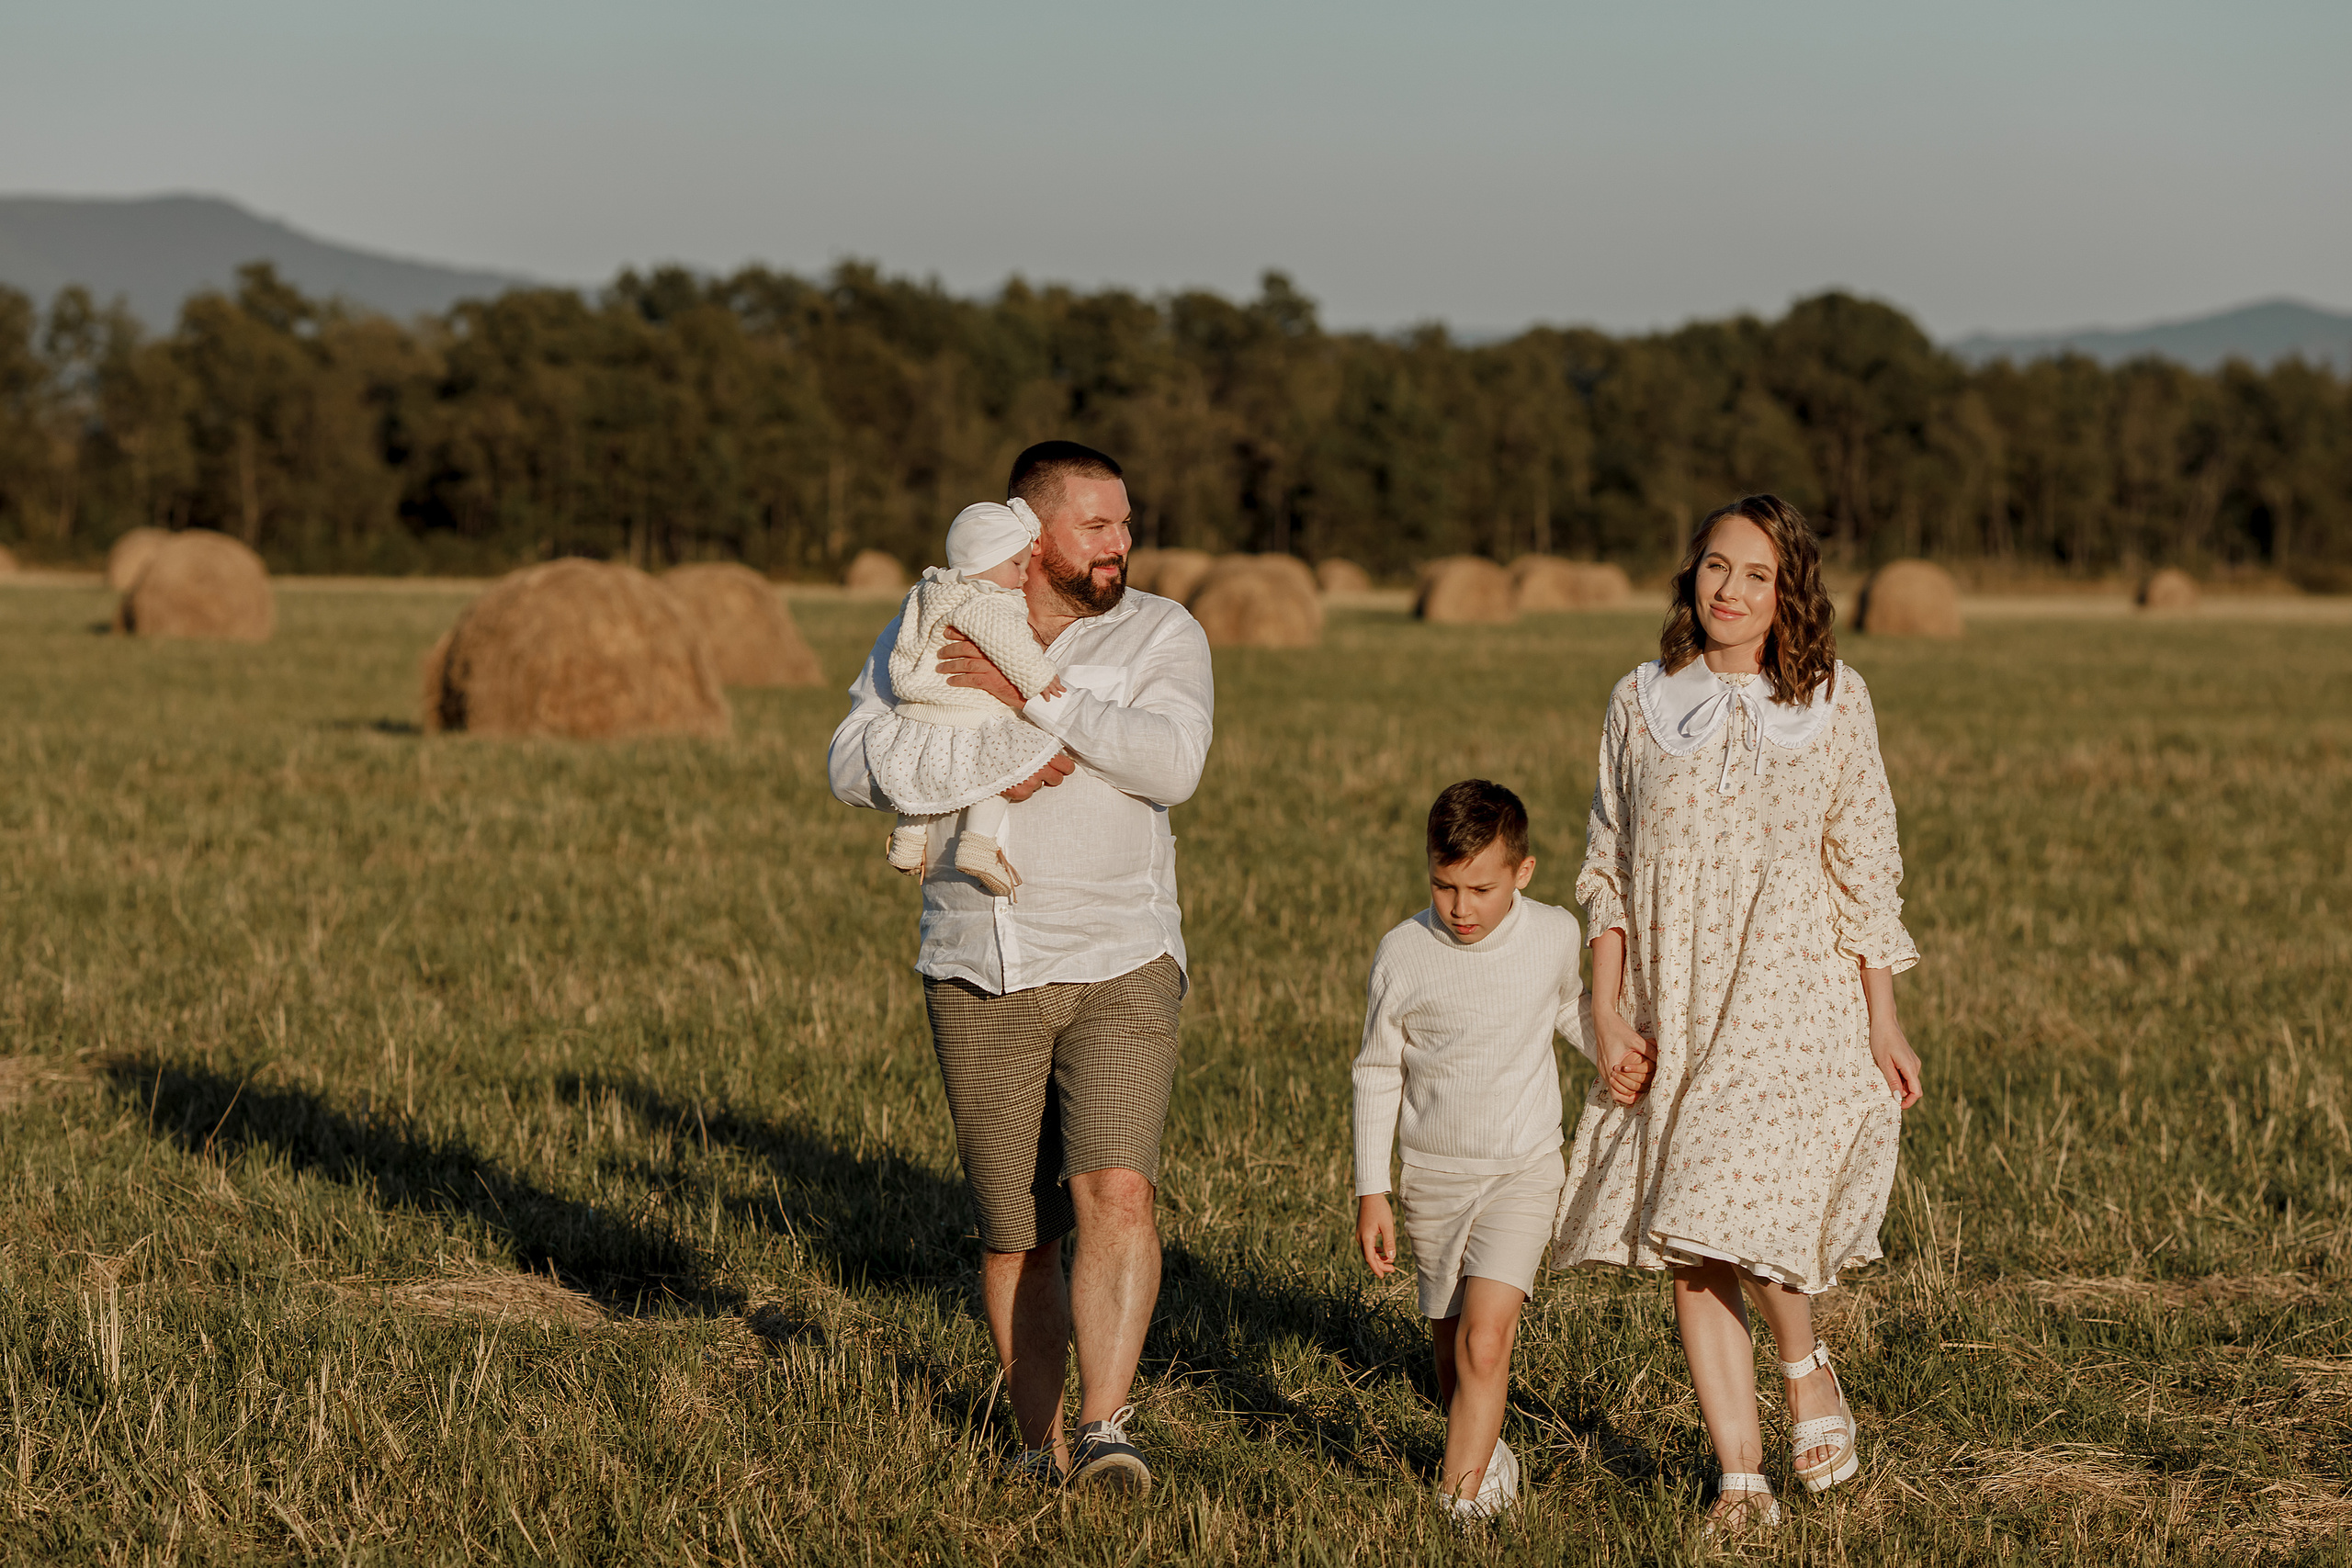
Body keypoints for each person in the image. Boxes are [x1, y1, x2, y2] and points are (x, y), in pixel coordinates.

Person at [827, 440, 1214, 1495]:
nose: (1119, 545)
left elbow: (1171, 761)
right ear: (1029, 533)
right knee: (1015, 1235)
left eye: (1124, 523)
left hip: (1121, 955)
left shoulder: (1161, 631)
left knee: (1117, 1193)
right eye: (1096, 526)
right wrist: (976, 754)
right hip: (972, 960)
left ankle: (1104, 1429)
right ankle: (1032, 1444)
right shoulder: (932, 620)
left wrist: (1032, 700)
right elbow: (852, 759)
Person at [1549, 493, 1925, 1535]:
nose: (1730, 590)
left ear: (1786, 590)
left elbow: (1863, 867)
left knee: (1733, 1203)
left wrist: (1881, 1018)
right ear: (1691, 575)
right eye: (1716, 568)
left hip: (1792, 992)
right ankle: (1741, 1481)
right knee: (1692, 1240)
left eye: (1756, 575)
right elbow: (1607, 870)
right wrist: (1606, 1013)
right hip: (1676, 995)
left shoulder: (1836, 700)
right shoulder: (1638, 701)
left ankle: (1803, 1369)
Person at [1350, 781, 1631, 1528]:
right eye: (1444, 886)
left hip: (1524, 1167)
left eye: (1481, 886)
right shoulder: (1404, 953)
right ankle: (1485, 1449)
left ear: (1524, 873)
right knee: (1451, 1358)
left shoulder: (1550, 935)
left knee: (1485, 1337)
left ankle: (1458, 1503)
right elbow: (1377, 1071)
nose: (1462, 907)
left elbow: (1570, 1005)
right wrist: (1370, 1189)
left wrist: (1613, 1051)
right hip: (1433, 1180)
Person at [868, 497, 1067, 897]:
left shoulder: (929, 592)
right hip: (968, 712)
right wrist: (1040, 677)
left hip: (920, 710)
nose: (1024, 577)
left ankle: (908, 843)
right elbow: (1008, 644)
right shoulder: (984, 600)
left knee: (923, 773)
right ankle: (977, 846)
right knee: (996, 768)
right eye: (1016, 565)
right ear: (984, 560)